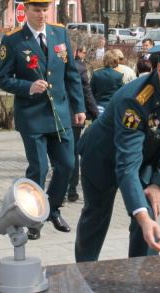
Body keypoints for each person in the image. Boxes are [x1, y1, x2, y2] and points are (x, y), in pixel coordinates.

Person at [74, 44, 160, 262]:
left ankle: (146, 273)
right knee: (97, 216)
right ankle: (84, 271)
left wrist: (158, 184)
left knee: (148, 209)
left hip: (145, 155)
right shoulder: (134, 100)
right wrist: (142, 217)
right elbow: (126, 164)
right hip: (102, 157)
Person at [0, 0, 85, 240]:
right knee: (38, 169)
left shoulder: (60, 34)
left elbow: (71, 75)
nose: (42, 14)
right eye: (37, 9)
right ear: (25, 10)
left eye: (46, 9)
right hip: (32, 116)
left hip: (59, 114)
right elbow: (3, 79)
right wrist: (28, 86)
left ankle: (53, 209)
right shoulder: (13, 39)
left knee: (67, 165)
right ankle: (33, 219)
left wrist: (78, 107)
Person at [68, 46, 100, 203]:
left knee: (60, 153)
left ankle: (61, 190)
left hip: (57, 116)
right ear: (75, 51)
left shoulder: (52, 64)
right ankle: (71, 190)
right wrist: (95, 114)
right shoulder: (79, 67)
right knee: (73, 153)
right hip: (75, 114)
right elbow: (86, 92)